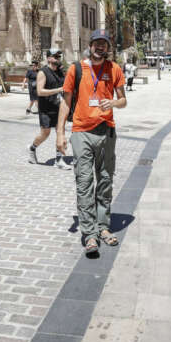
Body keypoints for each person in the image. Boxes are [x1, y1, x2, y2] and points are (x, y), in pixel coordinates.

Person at [56, 29, 126, 255]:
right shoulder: (76, 69)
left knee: (105, 180)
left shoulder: (114, 68)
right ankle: (89, 233)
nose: (100, 47)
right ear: (90, 44)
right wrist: (59, 133)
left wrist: (113, 104)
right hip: (81, 132)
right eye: (97, 43)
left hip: (106, 131)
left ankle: (103, 226)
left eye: (104, 44)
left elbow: (123, 99)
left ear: (108, 47)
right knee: (85, 181)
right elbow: (66, 103)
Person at [30, 48, 66, 166]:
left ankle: (59, 160)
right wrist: (58, 90)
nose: (58, 59)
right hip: (46, 108)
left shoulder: (60, 72)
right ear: (49, 58)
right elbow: (40, 92)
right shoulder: (43, 72)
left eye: (59, 57)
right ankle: (32, 148)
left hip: (58, 107)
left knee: (60, 131)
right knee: (45, 133)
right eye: (56, 57)